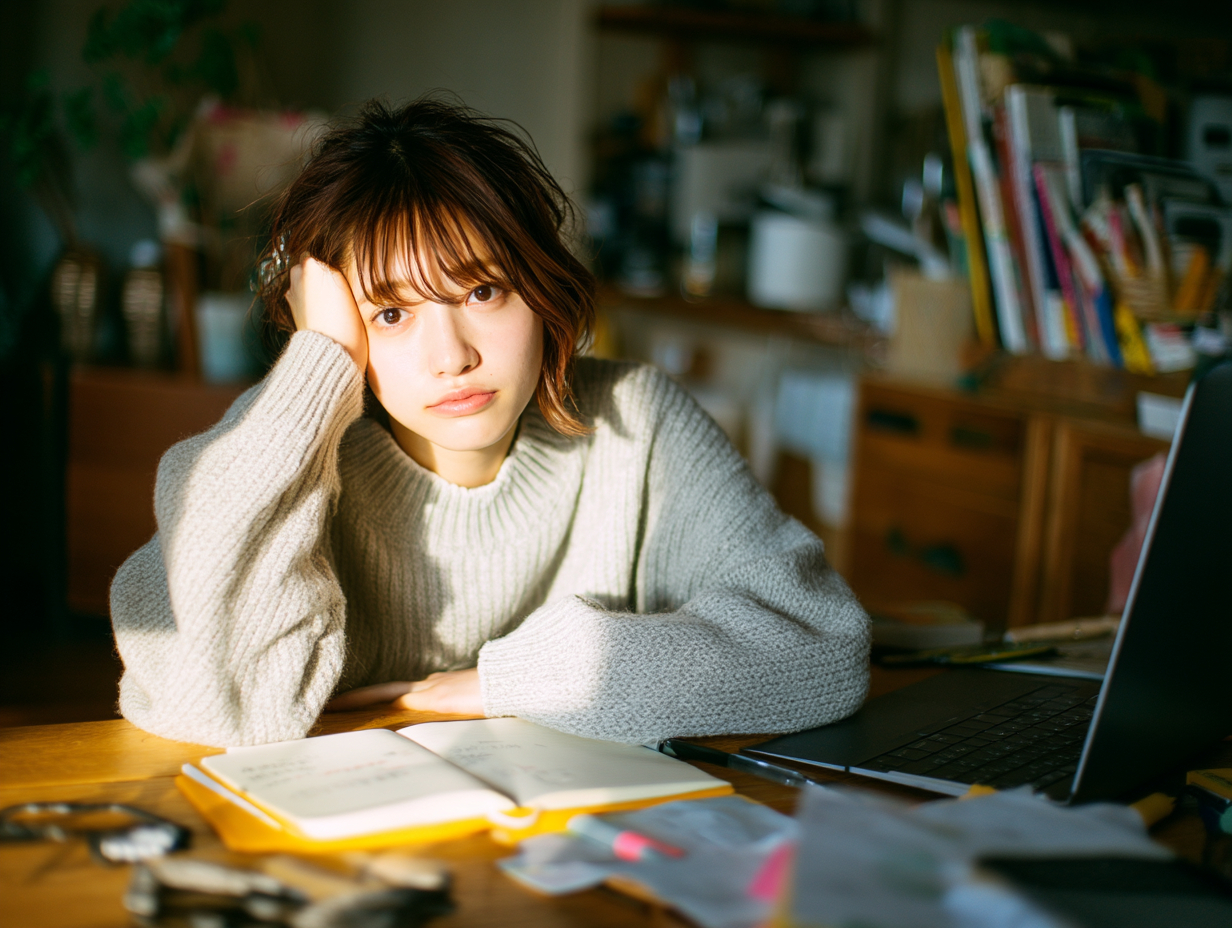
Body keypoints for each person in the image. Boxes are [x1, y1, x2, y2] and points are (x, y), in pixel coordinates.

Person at [109, 98, 870, 748]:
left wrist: (514, 678)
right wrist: (317, 366)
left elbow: (825, 648)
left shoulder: (635, 425)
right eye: (392, 313)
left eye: (482, 292)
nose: (451, 357)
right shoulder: (285, 452)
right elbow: (212, 698)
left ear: (540, 288)